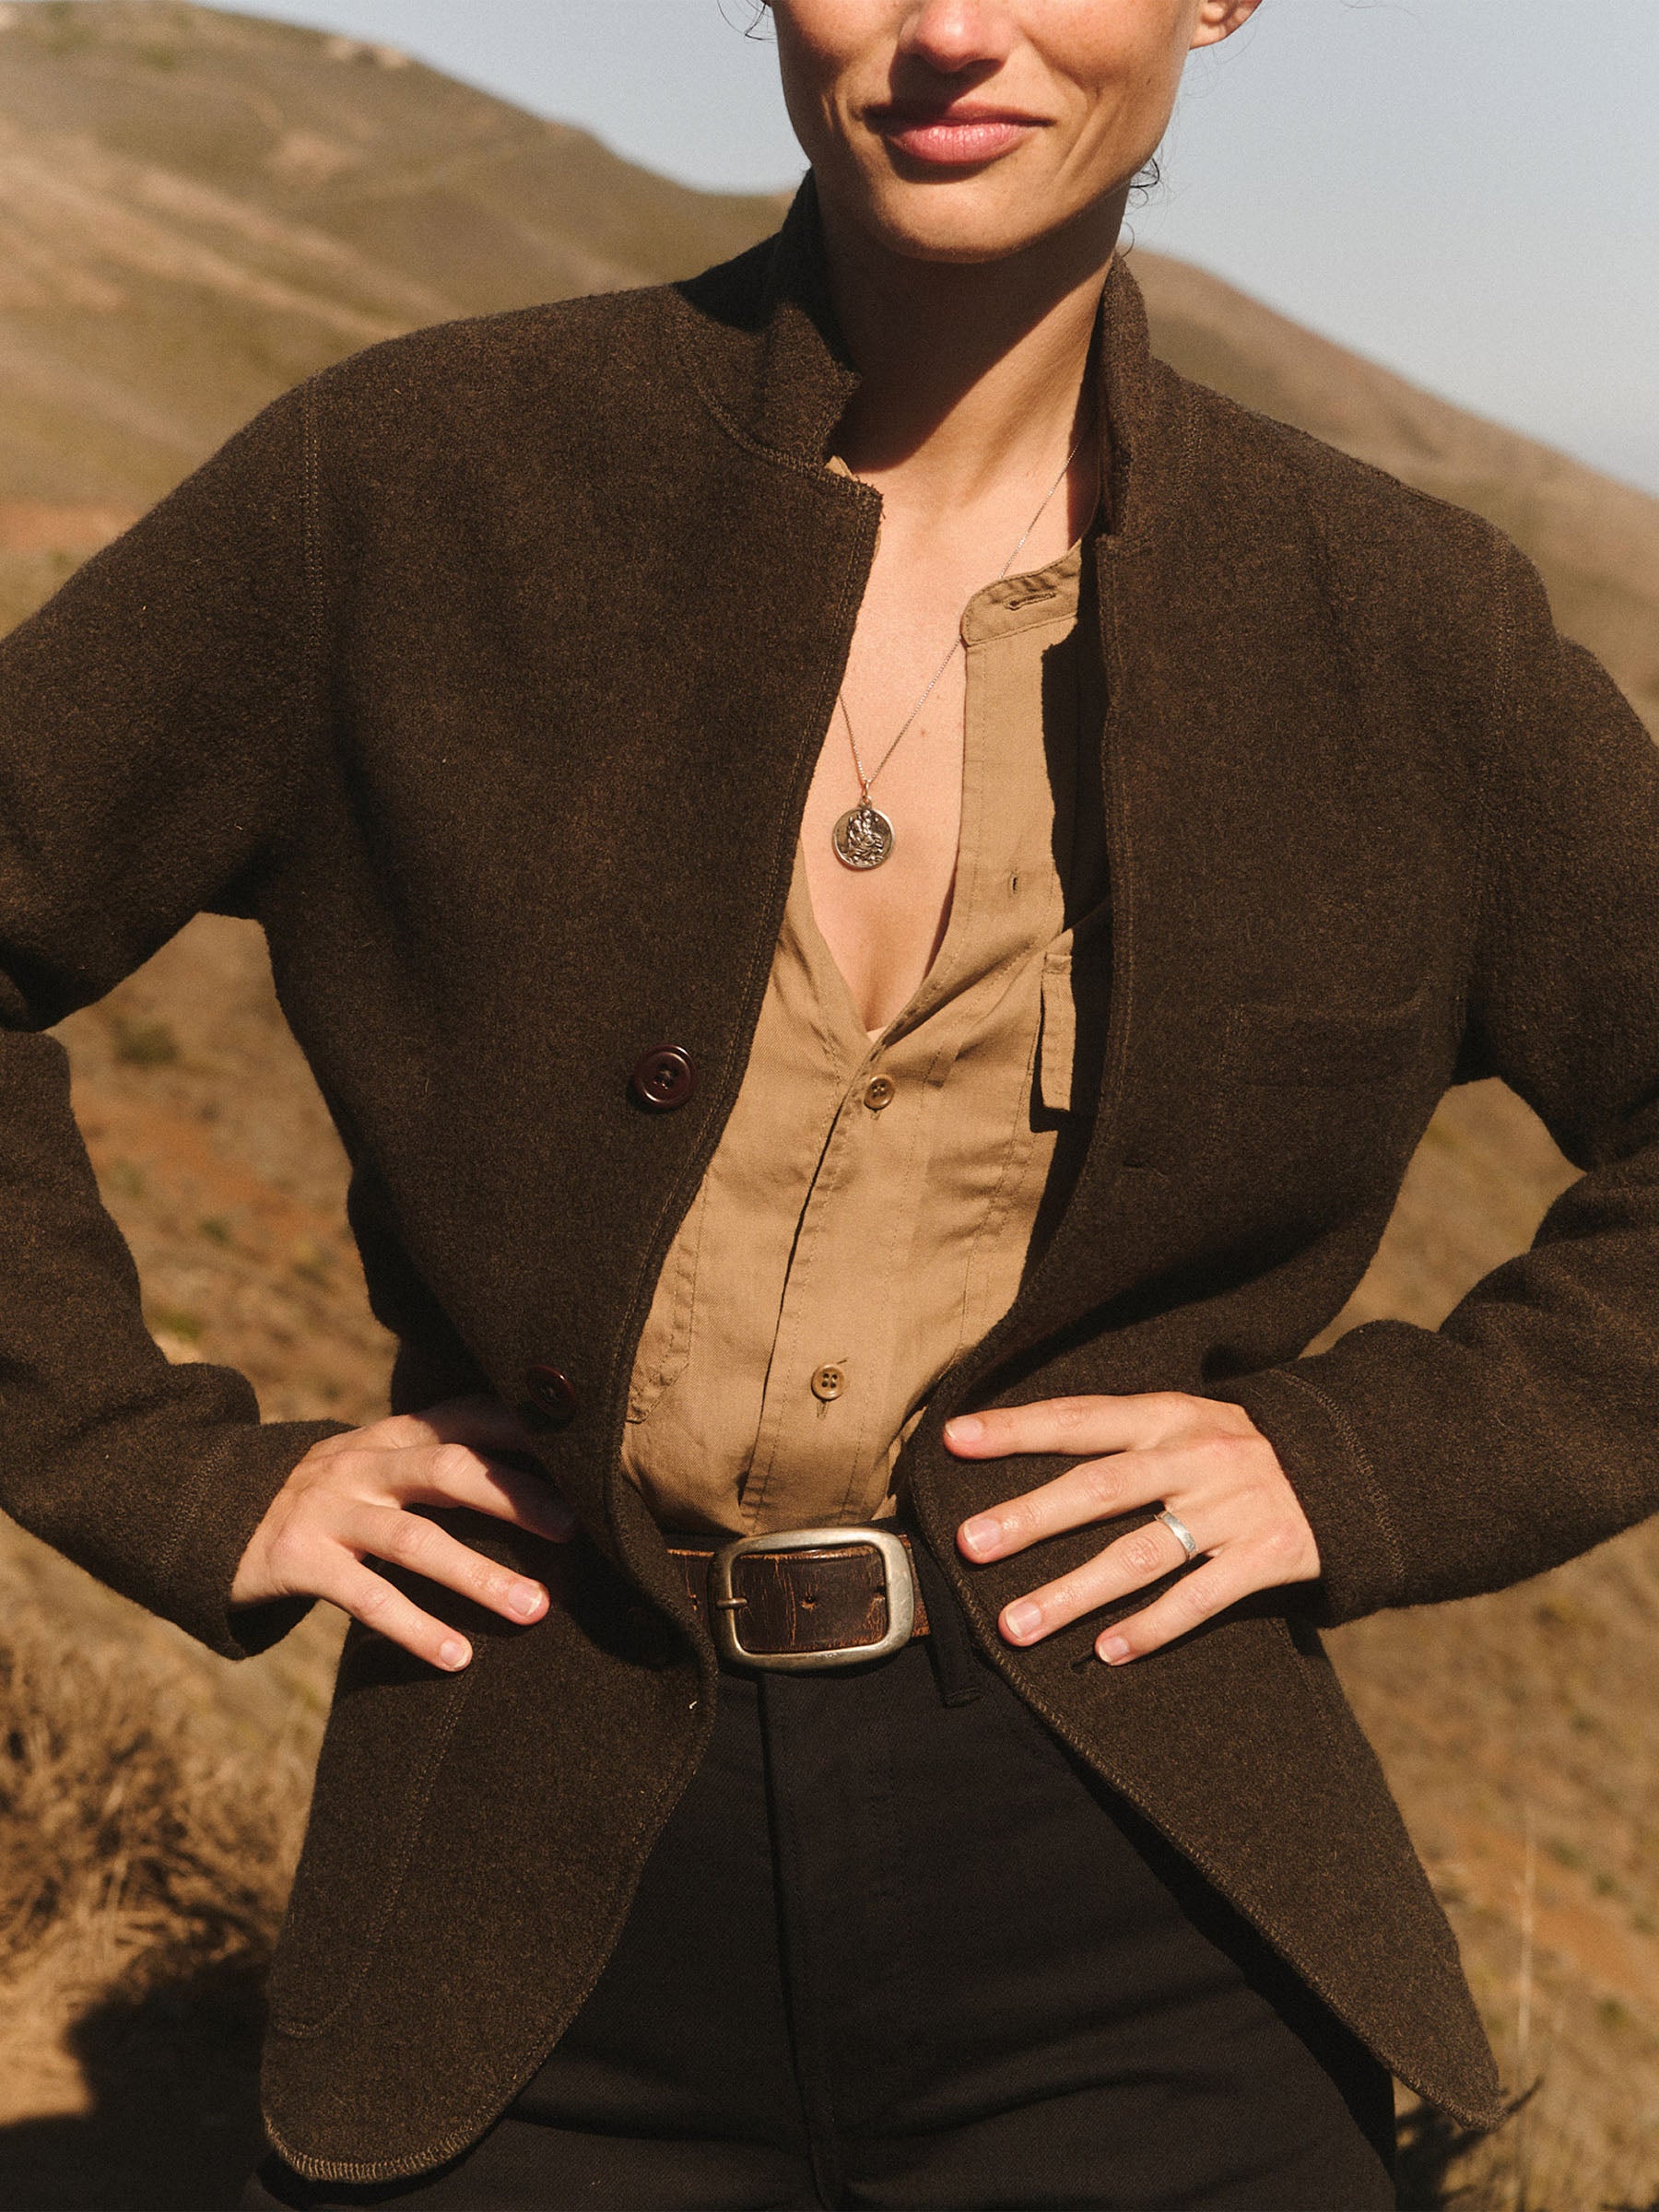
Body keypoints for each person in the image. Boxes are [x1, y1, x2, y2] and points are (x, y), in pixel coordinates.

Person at [2, 0, 1656, 2204]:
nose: (950, 29)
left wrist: (1359, 1464)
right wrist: (161, 1468)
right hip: (512, 1897)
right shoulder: (414, 482)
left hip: (1137, 1915)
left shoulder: (1400, 623)